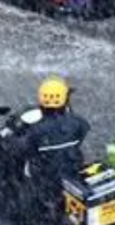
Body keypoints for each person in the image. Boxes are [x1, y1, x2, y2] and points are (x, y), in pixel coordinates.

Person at [13, 76, 90, 223]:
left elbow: (20, 149)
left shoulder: (36, 131)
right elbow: (83, 131)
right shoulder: (77, 123)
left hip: (45, 181)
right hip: (71, 173)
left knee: (30, 195)